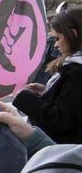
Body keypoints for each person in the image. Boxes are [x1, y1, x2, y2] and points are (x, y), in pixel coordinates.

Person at [14, 8, 82, 144]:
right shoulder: (75, 68)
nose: (55, 44)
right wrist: (48, 91)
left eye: (57, 38)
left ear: (73, 34)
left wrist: (23, 97)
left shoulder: (78, 73)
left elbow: (59, 122)